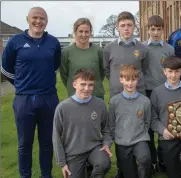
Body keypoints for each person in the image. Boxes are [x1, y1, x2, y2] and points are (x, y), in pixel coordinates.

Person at [1, 7, 61, 178]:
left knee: (47, 142)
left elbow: (55, 66)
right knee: (24, 144)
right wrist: (21, 85)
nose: (38, 21)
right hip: (24, 100)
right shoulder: (15, 41)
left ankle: (46, 174)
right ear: (27, 19)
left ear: (46, 22)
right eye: (35, 17)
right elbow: (5, 69)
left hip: (49, 98)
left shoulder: (53, 43)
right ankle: (25, 175)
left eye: (42, 18)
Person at [103, 11, 149, 178]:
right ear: (117, 27)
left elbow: (145, 68)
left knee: (141, 127)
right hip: (118, 96)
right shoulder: (109, 48)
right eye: (122, 26)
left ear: (134, 26)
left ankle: (145, 163)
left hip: (139, 95)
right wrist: (117, 83)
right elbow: (107, 70)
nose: (126, 28)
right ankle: (122, 168)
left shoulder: (142, 48)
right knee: (119, 129)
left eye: (129, 25)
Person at [52, 68, 112, 178]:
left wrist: (107, 144)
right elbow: (56, 137)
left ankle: (91, 171)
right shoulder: (63, 108)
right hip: (73, 153)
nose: (87, 88)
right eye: (83, 84)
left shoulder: (99, 105)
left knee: (104, 163)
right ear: (74, 84)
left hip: (94, 148)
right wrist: (62, 163)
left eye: (90, 85)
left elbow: (106, 129)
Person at [142, 15, 174, 173]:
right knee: (148, 126)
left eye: (159, 29)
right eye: (153, 29)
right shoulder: (142, 48)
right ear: (148, 30)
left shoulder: (169, 49)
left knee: (164, 125)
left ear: (163, 30)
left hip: (164, 92)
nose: (156, 32)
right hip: (147, 91)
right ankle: (152, 160)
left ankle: (164, 158)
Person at [108, 64, 152, 178]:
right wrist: (118, 136)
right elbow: (112, 124)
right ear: (121, 80)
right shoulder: (114, 101)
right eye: (127, 80)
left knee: (145, 159)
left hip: (139, 139)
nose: (130, 83)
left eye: (133, 79)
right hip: (122, 142)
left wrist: (140, 133)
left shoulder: (145, 101)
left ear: (137, 80)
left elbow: (147, 122)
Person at [60, 18, 105, 99]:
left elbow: (102, 73)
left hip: (96, 96)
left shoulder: (99, 51)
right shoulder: (66, 52)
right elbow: (64, 75)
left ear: (90, 33)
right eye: (81, 31)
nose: (84, 35)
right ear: (75, 32)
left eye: (87, 32)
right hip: (75, 96)